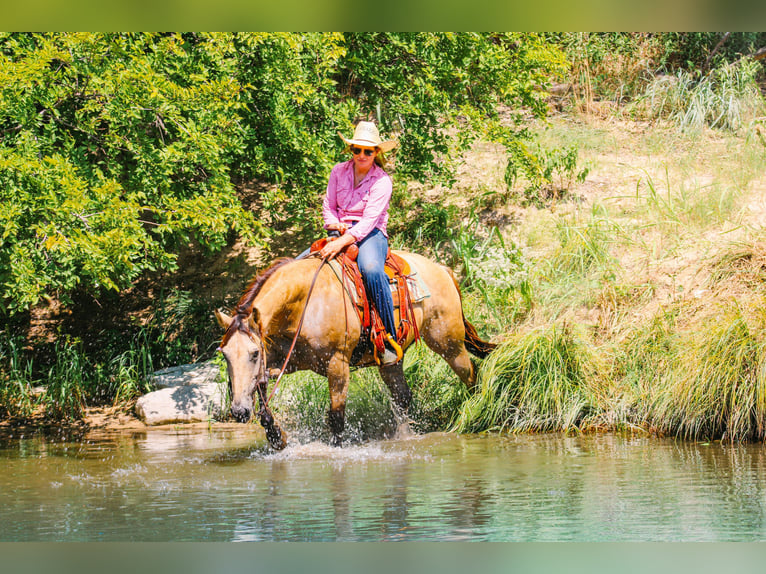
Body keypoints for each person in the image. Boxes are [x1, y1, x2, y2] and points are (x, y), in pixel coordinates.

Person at [318, 121, 402, 365]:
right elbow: (328, 206)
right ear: (351, 150)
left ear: (377, 153)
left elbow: (368, 222)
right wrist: (334, 225)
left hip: (371, 234)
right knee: (304, 263)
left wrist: (341, 242)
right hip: (340, 229)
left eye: (368, 151)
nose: (362, 155)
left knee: (372, 270)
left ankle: (388, 336)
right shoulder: (337, 171)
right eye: (358, 150)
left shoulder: (382, 181)